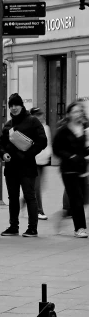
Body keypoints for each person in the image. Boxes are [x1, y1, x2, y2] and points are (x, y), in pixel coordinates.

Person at [0, 93, 47, 238]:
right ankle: (13, 227)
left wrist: (28, 153)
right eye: (11, 106)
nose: (13, 108)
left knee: (30, 196)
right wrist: (3, 154)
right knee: (13, 197)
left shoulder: (32, 121)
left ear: (21, 105)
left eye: (16, 105)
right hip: (11, 167)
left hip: (27, 166)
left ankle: (32, 228)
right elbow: (1, 143)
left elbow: (42, 141)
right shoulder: (8, 124)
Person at [52, 100, 89, 238]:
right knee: (76, 199)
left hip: (81, 169)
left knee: (83, 199)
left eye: (79, 111)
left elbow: (83, 150)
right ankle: (79, 228)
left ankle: (64, 215)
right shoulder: (63, 131)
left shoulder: (83, 129)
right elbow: (56, 149)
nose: (78, 114)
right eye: (74, 111)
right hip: (68, 170)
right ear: (69, 114)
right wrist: (70, 156)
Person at [29, 107, 52, 220]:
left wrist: (48, 155)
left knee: (38, 186)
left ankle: (25, 201)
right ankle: (39, 210)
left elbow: (49, 144)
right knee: (37, 187)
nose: (40, 117)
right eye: (36, 115)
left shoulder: (46, 127)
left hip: (43, 161)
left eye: (40, 114)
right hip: (33, 161)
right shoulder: (30, 128)